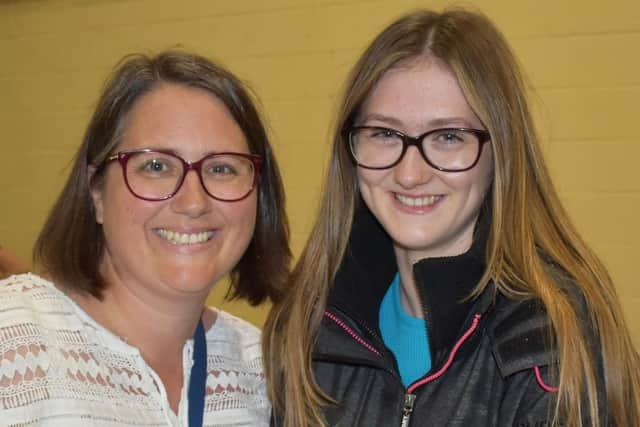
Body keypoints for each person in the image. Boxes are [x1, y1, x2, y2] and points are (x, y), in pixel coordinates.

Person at [263, 8, 640, 427]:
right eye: (385, 134)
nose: (410, 173)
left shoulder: (552, 344)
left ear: (502, 153)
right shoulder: (309, 325)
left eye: (448, 137)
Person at [0, 50, 290, 426]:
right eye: (156, 166)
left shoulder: (266, 374)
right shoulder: (13, 341)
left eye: (221, 168)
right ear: (96, 193)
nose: (193, 202)